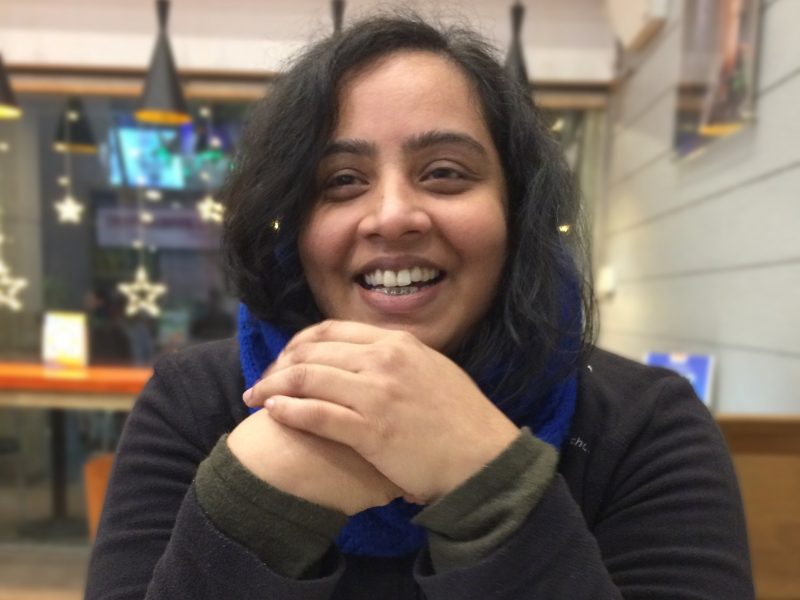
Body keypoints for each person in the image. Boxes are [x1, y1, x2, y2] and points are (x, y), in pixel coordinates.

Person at [84, 14, 754, 599]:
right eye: (341, 181)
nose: (393, 215)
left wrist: (491, 488)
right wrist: (257, 500)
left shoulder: (646, 427)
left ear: (516, 212)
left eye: (444, 173)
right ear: (294, 221)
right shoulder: (191, 403)